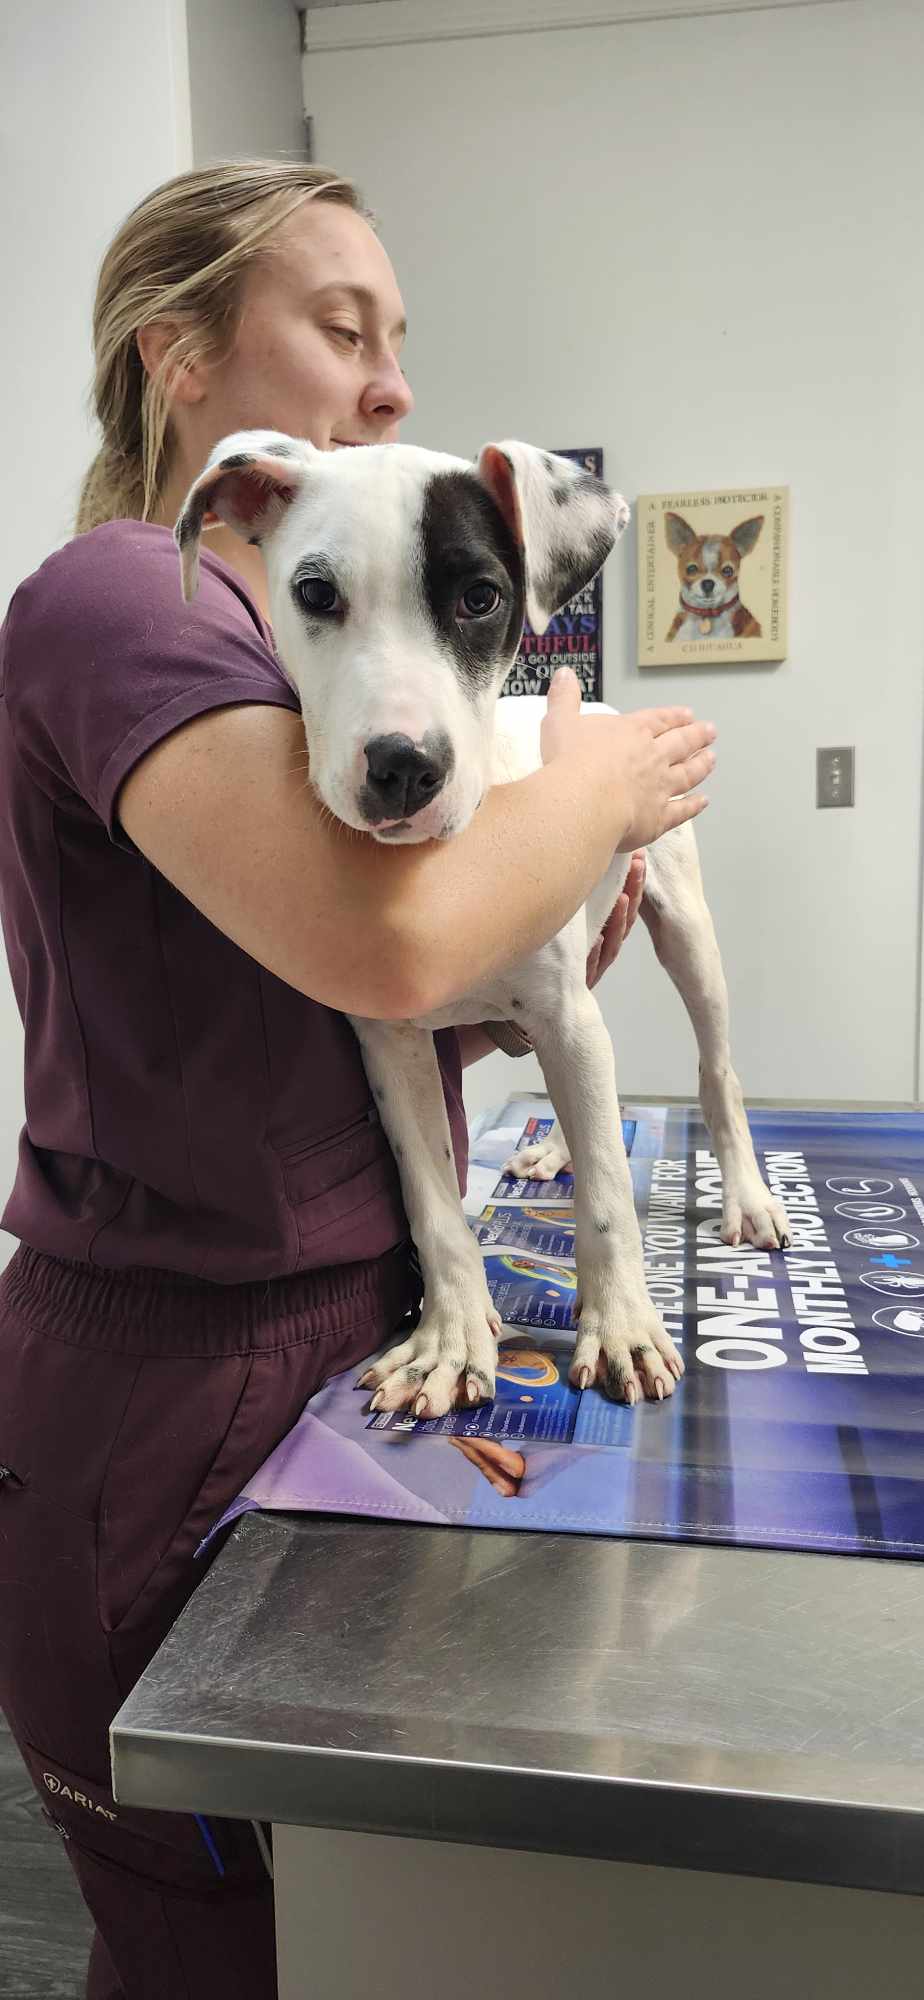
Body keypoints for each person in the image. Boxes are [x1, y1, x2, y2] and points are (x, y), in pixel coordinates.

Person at [0, 159, 715, 1998]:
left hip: (340, 1319)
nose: (393, 381)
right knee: (220, 1941)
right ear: (181, 363)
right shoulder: (126, 599)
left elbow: (331, 998)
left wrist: (503, 962)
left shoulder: (283, 637)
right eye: (342, 328)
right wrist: (602, 788)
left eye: (400, 335)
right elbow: (383, 957)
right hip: (177, 1364)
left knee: (347, 1921)